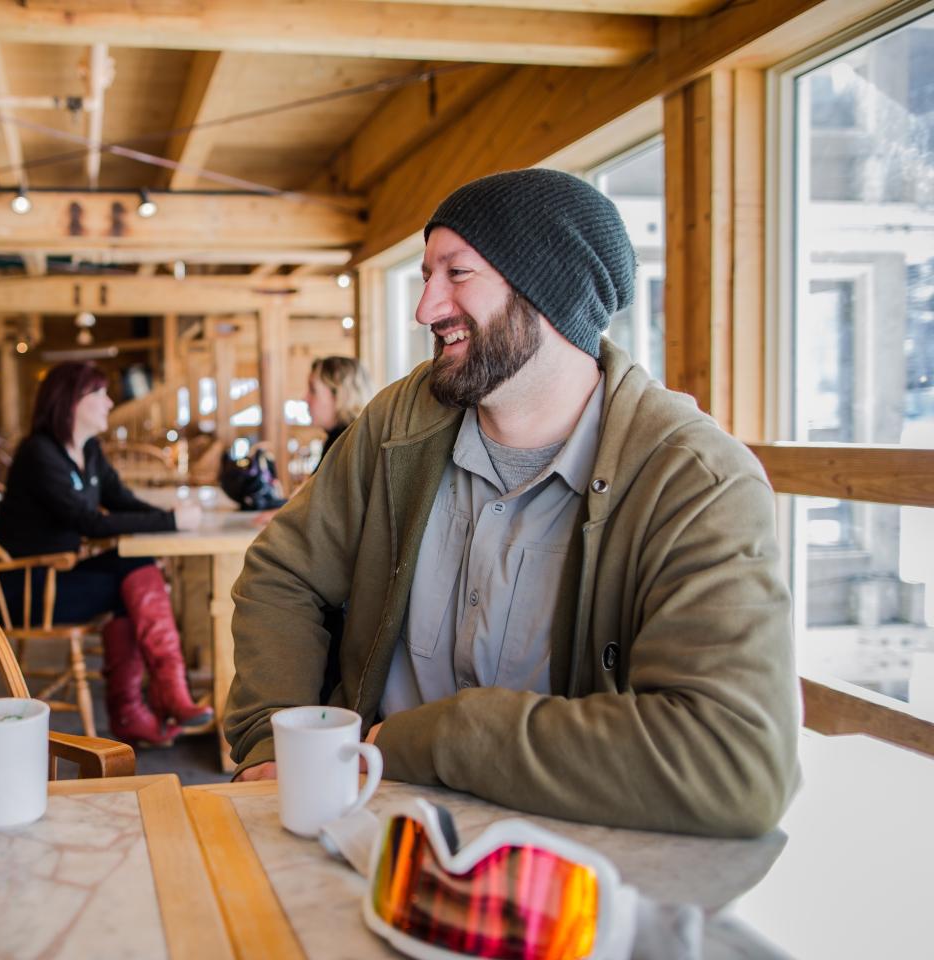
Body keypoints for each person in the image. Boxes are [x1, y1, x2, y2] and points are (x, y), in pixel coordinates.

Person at [224, 169, 799, 838]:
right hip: (362, 828)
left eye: (457, 273)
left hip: (575, 868)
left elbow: (734, 762)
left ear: (548, 287)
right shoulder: (399, 422)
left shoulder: (694, 480)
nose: (426, 308)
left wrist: (424, 740)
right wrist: (274, 742)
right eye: (425, 274)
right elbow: (282, 573)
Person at [0, 361, 211, 747]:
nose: (110, 402)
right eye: (99, 394)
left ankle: (146, 706)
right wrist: (171, 523)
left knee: (136, 570)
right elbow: (87, 521)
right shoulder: (39, 454)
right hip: (25, 586)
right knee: (135, 575)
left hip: (59, 575)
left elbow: (122, 501)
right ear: (72, 402)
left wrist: (173, 519)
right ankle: (156, 701)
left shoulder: (88, 450)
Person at [304, 355, 372, 473]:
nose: (305, 398)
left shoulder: (346, 448)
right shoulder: (340, 441)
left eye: (313, 390)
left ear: (339, 395)